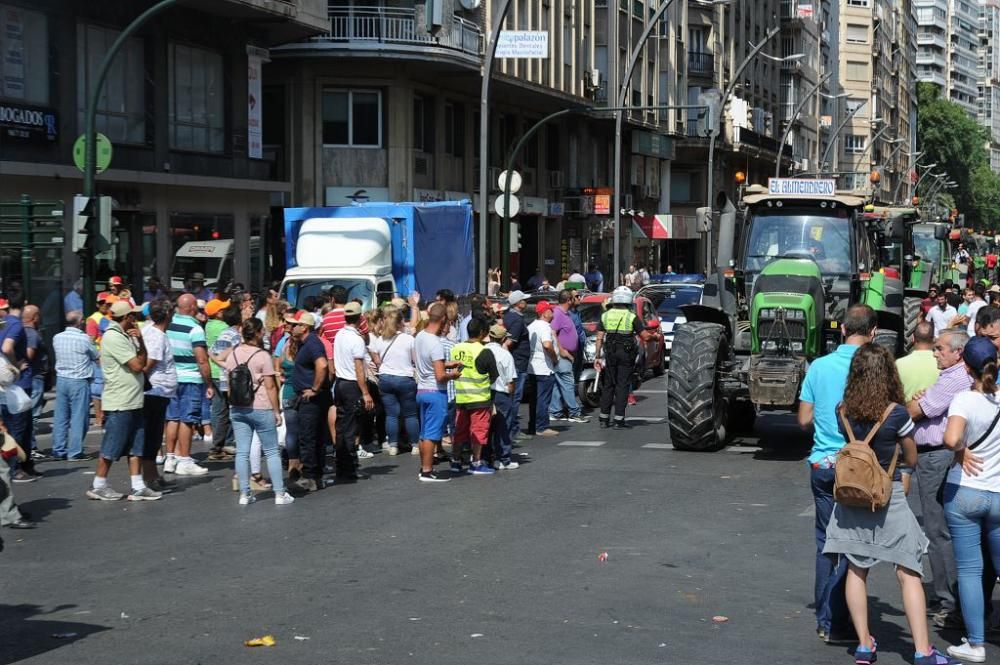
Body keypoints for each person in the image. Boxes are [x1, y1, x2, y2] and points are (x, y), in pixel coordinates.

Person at [823, 343, 954, 665]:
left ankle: (865, 644)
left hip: (852, 496)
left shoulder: (844, 410)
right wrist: (903, 465)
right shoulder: (895, 413)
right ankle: (923, 651)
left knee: (856, 567)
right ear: (888, 374)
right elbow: (910, 455)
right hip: (887, 494)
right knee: (908, 570)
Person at [797, 303, 876, 642]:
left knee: (826, 542)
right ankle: (837, 618)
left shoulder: (819, 366)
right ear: (872, 333)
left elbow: (803, 419)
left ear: (842, 329)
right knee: (855, 544)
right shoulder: (874, 368)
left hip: (823, 465)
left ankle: (825, 614)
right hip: (859, 468)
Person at [905, 328, 971, 627]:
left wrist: (919, 403)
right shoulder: (951, 377)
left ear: (958, 352)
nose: (935, 353)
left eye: (940, 349)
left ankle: (948, 599)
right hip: (934, 455)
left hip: (935, 456)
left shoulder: (954, 378)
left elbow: (916, 410)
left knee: (937, 529)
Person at [941, 335, 1000, 662]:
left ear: (966, 366)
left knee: (970, 570)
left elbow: (951, 438)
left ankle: (975, 644)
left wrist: (962, 450)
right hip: (998, 493)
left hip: (965, 491)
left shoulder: (964, 399)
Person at [85, 300, 160, 501]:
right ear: (127, 317)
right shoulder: (113, 337)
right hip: (121, 401)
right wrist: (141, 347)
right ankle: (99, 485)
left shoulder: (125, 336)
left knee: (136, 446)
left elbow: (141, 363)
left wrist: (141, 342)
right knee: (112, 445)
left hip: (133, 399)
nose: (136, 319)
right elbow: (137, 365)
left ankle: (138, 486)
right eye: (133, 316)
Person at [223, 318, 293, 506]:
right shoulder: (263, 356)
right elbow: (270, 387)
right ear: (258, 333)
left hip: (238, 408)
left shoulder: (233, 355)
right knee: (271, 451)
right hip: (261, 406)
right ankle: (279, 493)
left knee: (242, 452)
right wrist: (277, 412)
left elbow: (230, 383)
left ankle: (244, 494)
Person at [163, 294, 214, 476]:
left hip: (171, 377)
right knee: (188, 419)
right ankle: (184, 459)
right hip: (190, 378)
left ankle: (170, 457)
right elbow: (201, 359)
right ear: (193, 308)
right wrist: (208, 382)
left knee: (172, 418)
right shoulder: (195, 329)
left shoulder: (169, 324)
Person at [415, 303, 460, 482]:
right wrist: (453, 375)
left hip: (422, 390)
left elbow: (428, 362)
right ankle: (427, 470)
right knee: (432, 434)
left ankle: (423, 468)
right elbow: (440, 376)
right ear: (442, 320)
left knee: (424, 433)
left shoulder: (420, 336)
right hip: (435, 391)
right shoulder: (436, 343)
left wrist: (447, 364)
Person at [450, 317, 500, 475]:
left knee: (459, 431)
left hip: (461, 397)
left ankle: (456, 461)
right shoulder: (484, 351)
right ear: (483, 332)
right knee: (479, 430)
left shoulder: (456, 348)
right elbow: (494, 376)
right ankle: (476, 462)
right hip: (479, 398)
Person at [287, 310, 329, 492]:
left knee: (308, 437)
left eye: (294, 324)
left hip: (311, 400)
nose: (291, 327)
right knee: (315, 437)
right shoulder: (307, 343)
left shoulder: (312, 343)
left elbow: (323, 365)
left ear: (304, 327)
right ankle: (316, 476)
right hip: (310, 398)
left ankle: (310, 476)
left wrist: (315, 389)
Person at [594, 287, 647, 430]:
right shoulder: (631, 316)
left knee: (608, 385)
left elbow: (599, 338)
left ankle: (604, 419)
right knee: (622, 385)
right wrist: (655, 336)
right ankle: (619, 420)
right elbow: (645, 336)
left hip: (610, 353)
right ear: (629, 300)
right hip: (626, 354)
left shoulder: (605, 315)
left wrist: (597, 356)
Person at [369, 306, 418, 457]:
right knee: (410, 414)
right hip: (405, 378)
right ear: (400, 323)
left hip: (385, 378)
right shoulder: (409, 339)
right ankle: (415, 445)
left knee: (391, 414)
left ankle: (393, 445)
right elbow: (415, 360)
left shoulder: (380, 340)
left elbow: (377, 360)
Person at [332, 302, 372, 483]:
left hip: (340, 383)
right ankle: (348, 469)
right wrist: (365, 392)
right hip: (351, 385)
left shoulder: (340, 334)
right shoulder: (356, 339)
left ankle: (341, 466)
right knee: (350, 428)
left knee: (342, 427)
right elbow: (359, 369)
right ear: (360, 318)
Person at [141, 298, 177, 492]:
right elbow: (150, 362)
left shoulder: (149, 329)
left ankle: (153, 473)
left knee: (154, 434)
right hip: (155, 390)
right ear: (168, 315)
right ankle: (149, 475)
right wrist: (141, 379)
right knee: (152, 435)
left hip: (158, 391)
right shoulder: (157, 336)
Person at [0, 297, 37, 483]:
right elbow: (7, 348)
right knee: (18, 429)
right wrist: (16, 365)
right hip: (17, 386)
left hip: (8, 387)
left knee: (17, 427)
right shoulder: (14, 324)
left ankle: (24, 466)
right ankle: (16, 469)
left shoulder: (3, 324)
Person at [51, 312, 97, 461]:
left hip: (62, 379)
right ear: (80, 322)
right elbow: (96, 355)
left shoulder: (57, 338)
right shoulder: (84, 339)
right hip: (79, 380)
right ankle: (75, 452)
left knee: (60, 417)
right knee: (79, 417)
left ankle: (58, 449)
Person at [204, 299, 236, 461]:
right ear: (218, 313)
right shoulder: (224, 328)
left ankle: (220, 443)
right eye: (223, 309)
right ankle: (223, 443)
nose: (225, 311)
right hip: (222, 369)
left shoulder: (208, 325)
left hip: (214, 370)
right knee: (224, 410)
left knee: (218, 409)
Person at [549, 290, 588, 423]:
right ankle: (574, 412)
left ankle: (555, 411)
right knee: (568, 383)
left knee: (558, 384)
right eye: (574, 298)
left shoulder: (566, 314)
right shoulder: (558, 314)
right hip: (563, 355)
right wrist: (561, 350)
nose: (576, 300)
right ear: (568, 301)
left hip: (568, 354)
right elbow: (552, 333)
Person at [486, 323, 518, 469]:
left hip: (484, 393)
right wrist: (511, 395)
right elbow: (510, 380)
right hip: (501, 393)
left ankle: (487, 457)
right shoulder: (505, 355)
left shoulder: (482, 351)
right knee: (503, 426)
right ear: (503, 338)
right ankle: (504, 458)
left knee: (487, 427)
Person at [527, 300, 559, 437]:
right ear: (545, 313)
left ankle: (533, 425)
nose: (552, 313)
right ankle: (542, 427)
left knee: (534, 398)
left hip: (532, 367)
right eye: (550, 310)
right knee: (543, 399)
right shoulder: (545, 326)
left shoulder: (531, 326)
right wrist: (554, 358)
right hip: (544, 367)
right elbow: (547, 345)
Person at [503, 290, 531, 441]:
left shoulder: (511, 317)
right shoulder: (516, 320)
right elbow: (509, 342)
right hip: (518, 363)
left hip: (518, 362)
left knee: (513, 398)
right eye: (523, 300)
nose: (525, 302)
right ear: (518, 303)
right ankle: (512, 430)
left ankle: (511, 429)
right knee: (514, 398)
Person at [22, 305, 47, 458]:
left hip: (30, 377)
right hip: (35, 377)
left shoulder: (21, 331)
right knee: (34, 414)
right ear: (35, 317)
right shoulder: (32, 334)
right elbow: (29, 355)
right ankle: (30, 447)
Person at [896, 322, 940, 402]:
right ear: (934, 339)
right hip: (937, 412)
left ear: (912, 338)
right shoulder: (942, 363)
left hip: (908, 411)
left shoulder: (899, 363)